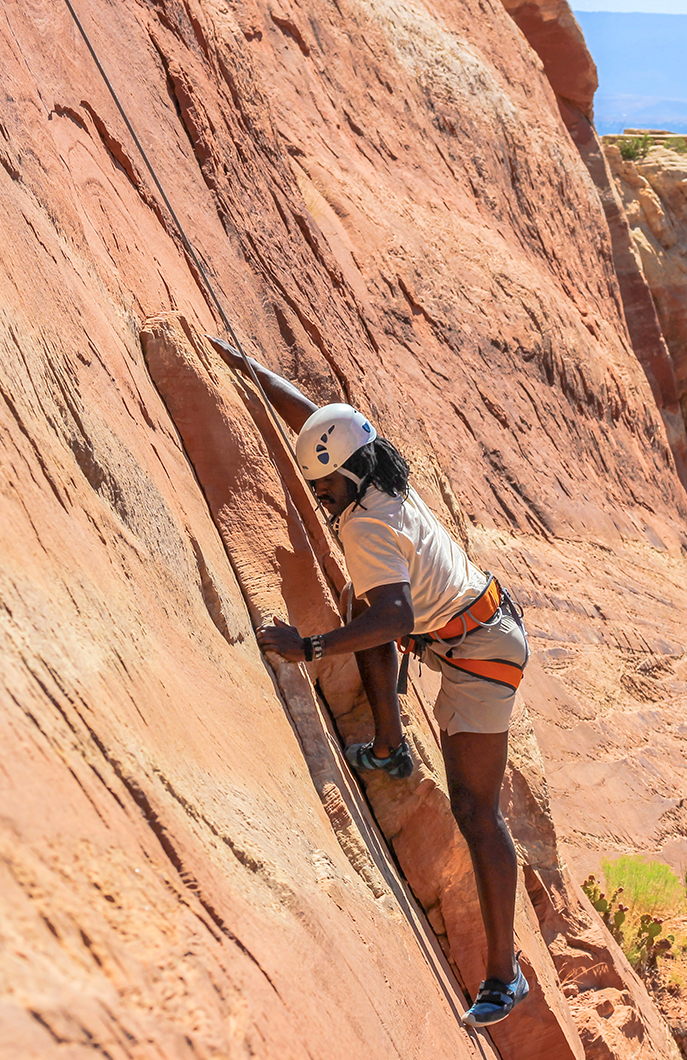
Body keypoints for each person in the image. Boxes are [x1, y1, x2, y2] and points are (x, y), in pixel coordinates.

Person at [211, 337, 529, 1028]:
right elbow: (318, 420)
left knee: (477, 814)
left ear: (348, 480)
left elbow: (397, 616)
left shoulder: (368, 522)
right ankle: (389, 747)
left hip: (480, 651)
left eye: (323, 486)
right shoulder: (376, 468)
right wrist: (252, 369)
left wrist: (310, 646)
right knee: (366, 605)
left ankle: (506, 977)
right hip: (470, 627)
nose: (319, 497)